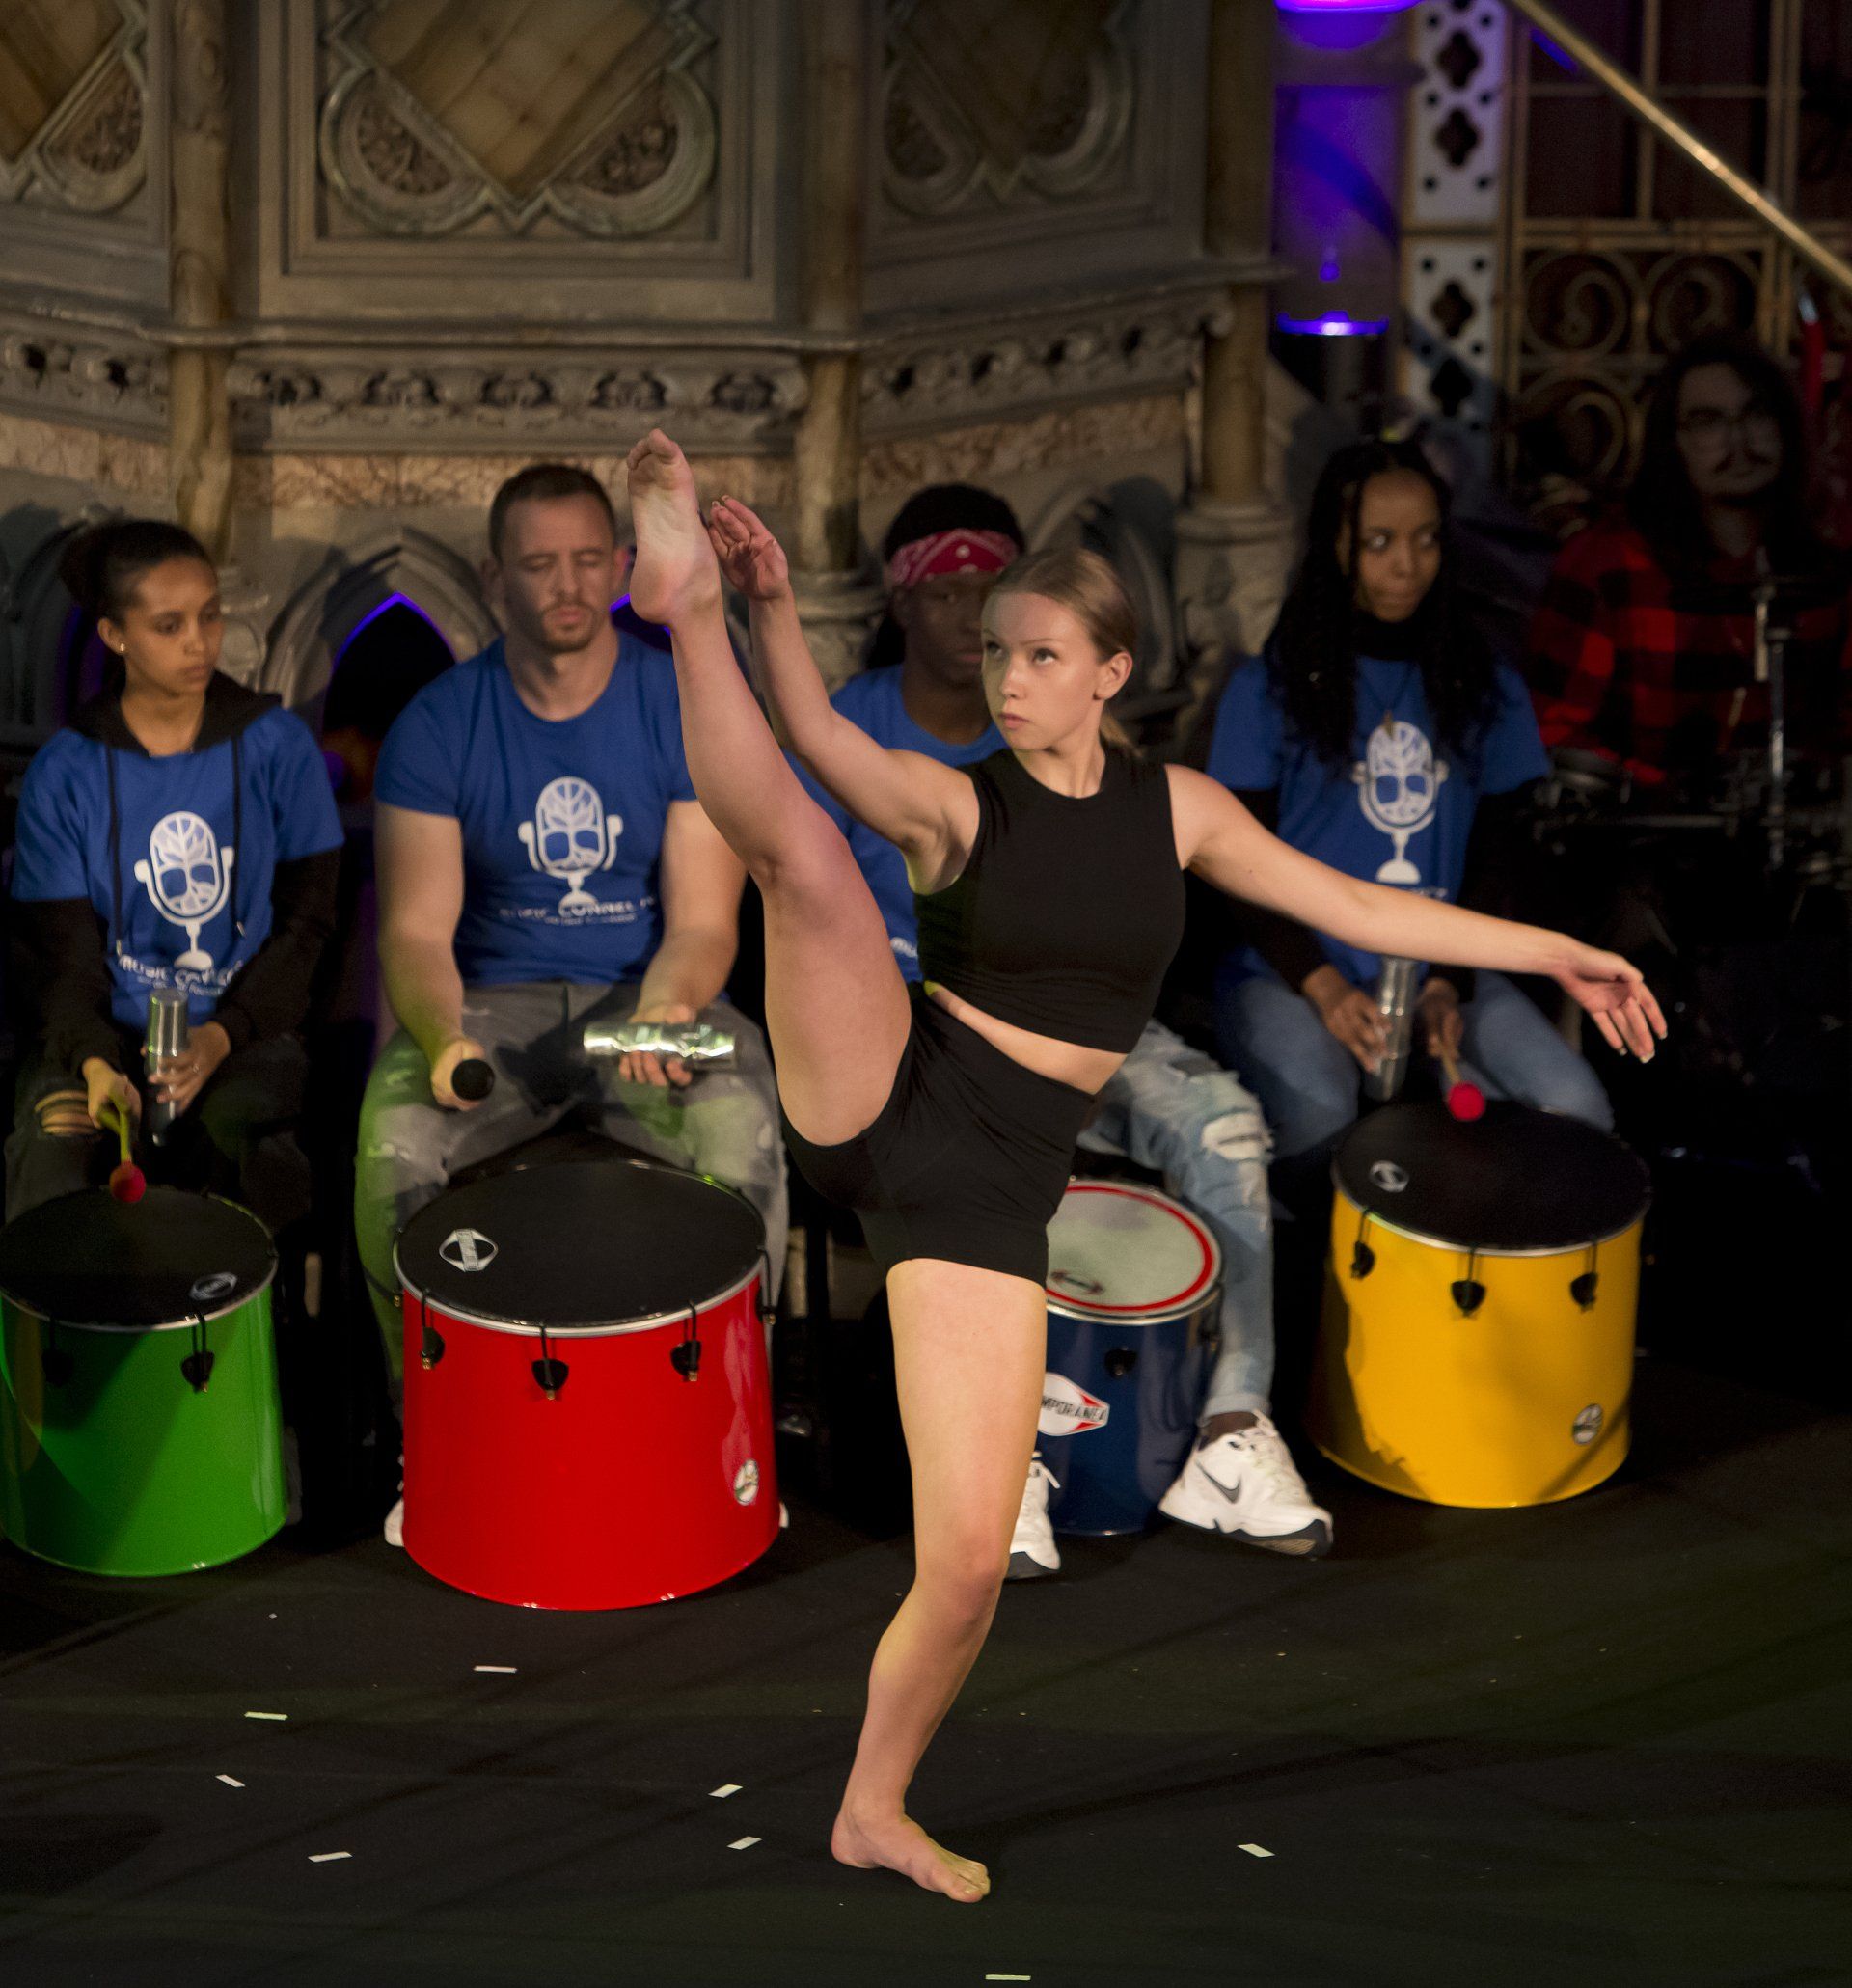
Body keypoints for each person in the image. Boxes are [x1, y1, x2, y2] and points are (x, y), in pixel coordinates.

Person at [620, 425, 1664, 1904]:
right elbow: (821, 748)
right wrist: (761, 610)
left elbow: (1364, 900)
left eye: (1040, 654)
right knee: (797, 852)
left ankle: (872, 1806)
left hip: (984, 1194)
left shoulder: (1182, 811)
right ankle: (678, 612)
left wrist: (1558, 948)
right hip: (888, 1094)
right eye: (997, 654)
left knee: (970, 1565)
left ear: (1111, 672)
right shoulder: (959, 802)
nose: (1007, 677)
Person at [817, 481, 1323, 1570]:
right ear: (902, 606)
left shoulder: (1132, 787)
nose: (977, 629)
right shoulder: (863, 727)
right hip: (923, 1047)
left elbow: (1321, 897)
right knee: (971, 1176)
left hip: (1088, 1032)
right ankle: (999, 1456)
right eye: (946, 596)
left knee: (1227, 1126)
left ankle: (1235, 1426)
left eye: (1000, 605)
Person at [352, 464, 788, 1486]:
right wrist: (442, 1035)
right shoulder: (439, 722)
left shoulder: (675, 703)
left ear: (624, 568)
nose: (568, 585)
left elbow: (703, 920)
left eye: (590, 560)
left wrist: (668, 1008)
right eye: (541, 564)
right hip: (492, 1012)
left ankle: (727, 1442)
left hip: (639, 999)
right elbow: (415, 934)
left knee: (744, 1126)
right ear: (495, 574)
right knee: (391, 1150)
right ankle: (437, 1448)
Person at [1209, 437, 1613, 1180]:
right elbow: (1233, 865)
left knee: (1573, 1111)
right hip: (1291, 965)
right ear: (1336, 543)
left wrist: (1447, 983)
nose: (1407, 564)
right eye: (1379, 542)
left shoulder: (1483, 680)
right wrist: (1322, 984)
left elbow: (1500, 847)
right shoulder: (1269, 688)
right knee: (1321, 1118)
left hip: (1442, 961)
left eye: (1426, 539)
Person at [7, 521, 340, 1227]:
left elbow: (308, 924)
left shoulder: (277, 746)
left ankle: (254, 1332)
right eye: (169, 624)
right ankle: (62, 1337)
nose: (200, 641)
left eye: (210, 614)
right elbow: (59, 960)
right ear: (114, 635)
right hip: (104, 1031)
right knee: (52, 1159)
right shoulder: (66, 773)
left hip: (242, 1028)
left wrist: (227, 1033)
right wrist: (96, 1062)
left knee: (251, 1151)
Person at [1528, 333, 1852, 793]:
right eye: (1708, 422)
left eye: (1756, 414)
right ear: (1672, 441)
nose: (1738, 442)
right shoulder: (1607, 563)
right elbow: (1551, 733)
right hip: (1643, 833)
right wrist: (1668, 790)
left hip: (1798, 832)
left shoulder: (1828, 560)